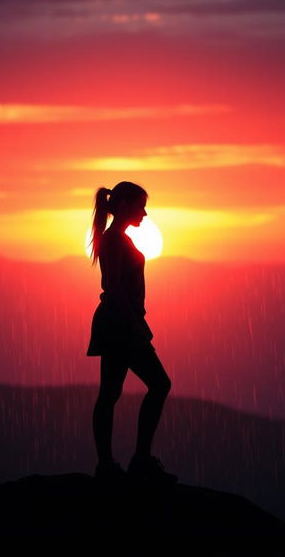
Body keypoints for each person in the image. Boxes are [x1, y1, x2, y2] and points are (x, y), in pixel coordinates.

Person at [87, 181, 177, 485]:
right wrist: (136, 324)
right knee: (158, 384)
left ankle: (108, 464)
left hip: (116, 324)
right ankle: (137, 461)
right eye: (140, 206)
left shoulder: (115, 238)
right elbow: (113, 286)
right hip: (121, 325)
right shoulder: (114, 240)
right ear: (124, 205)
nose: (145, 213)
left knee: (110, 393)